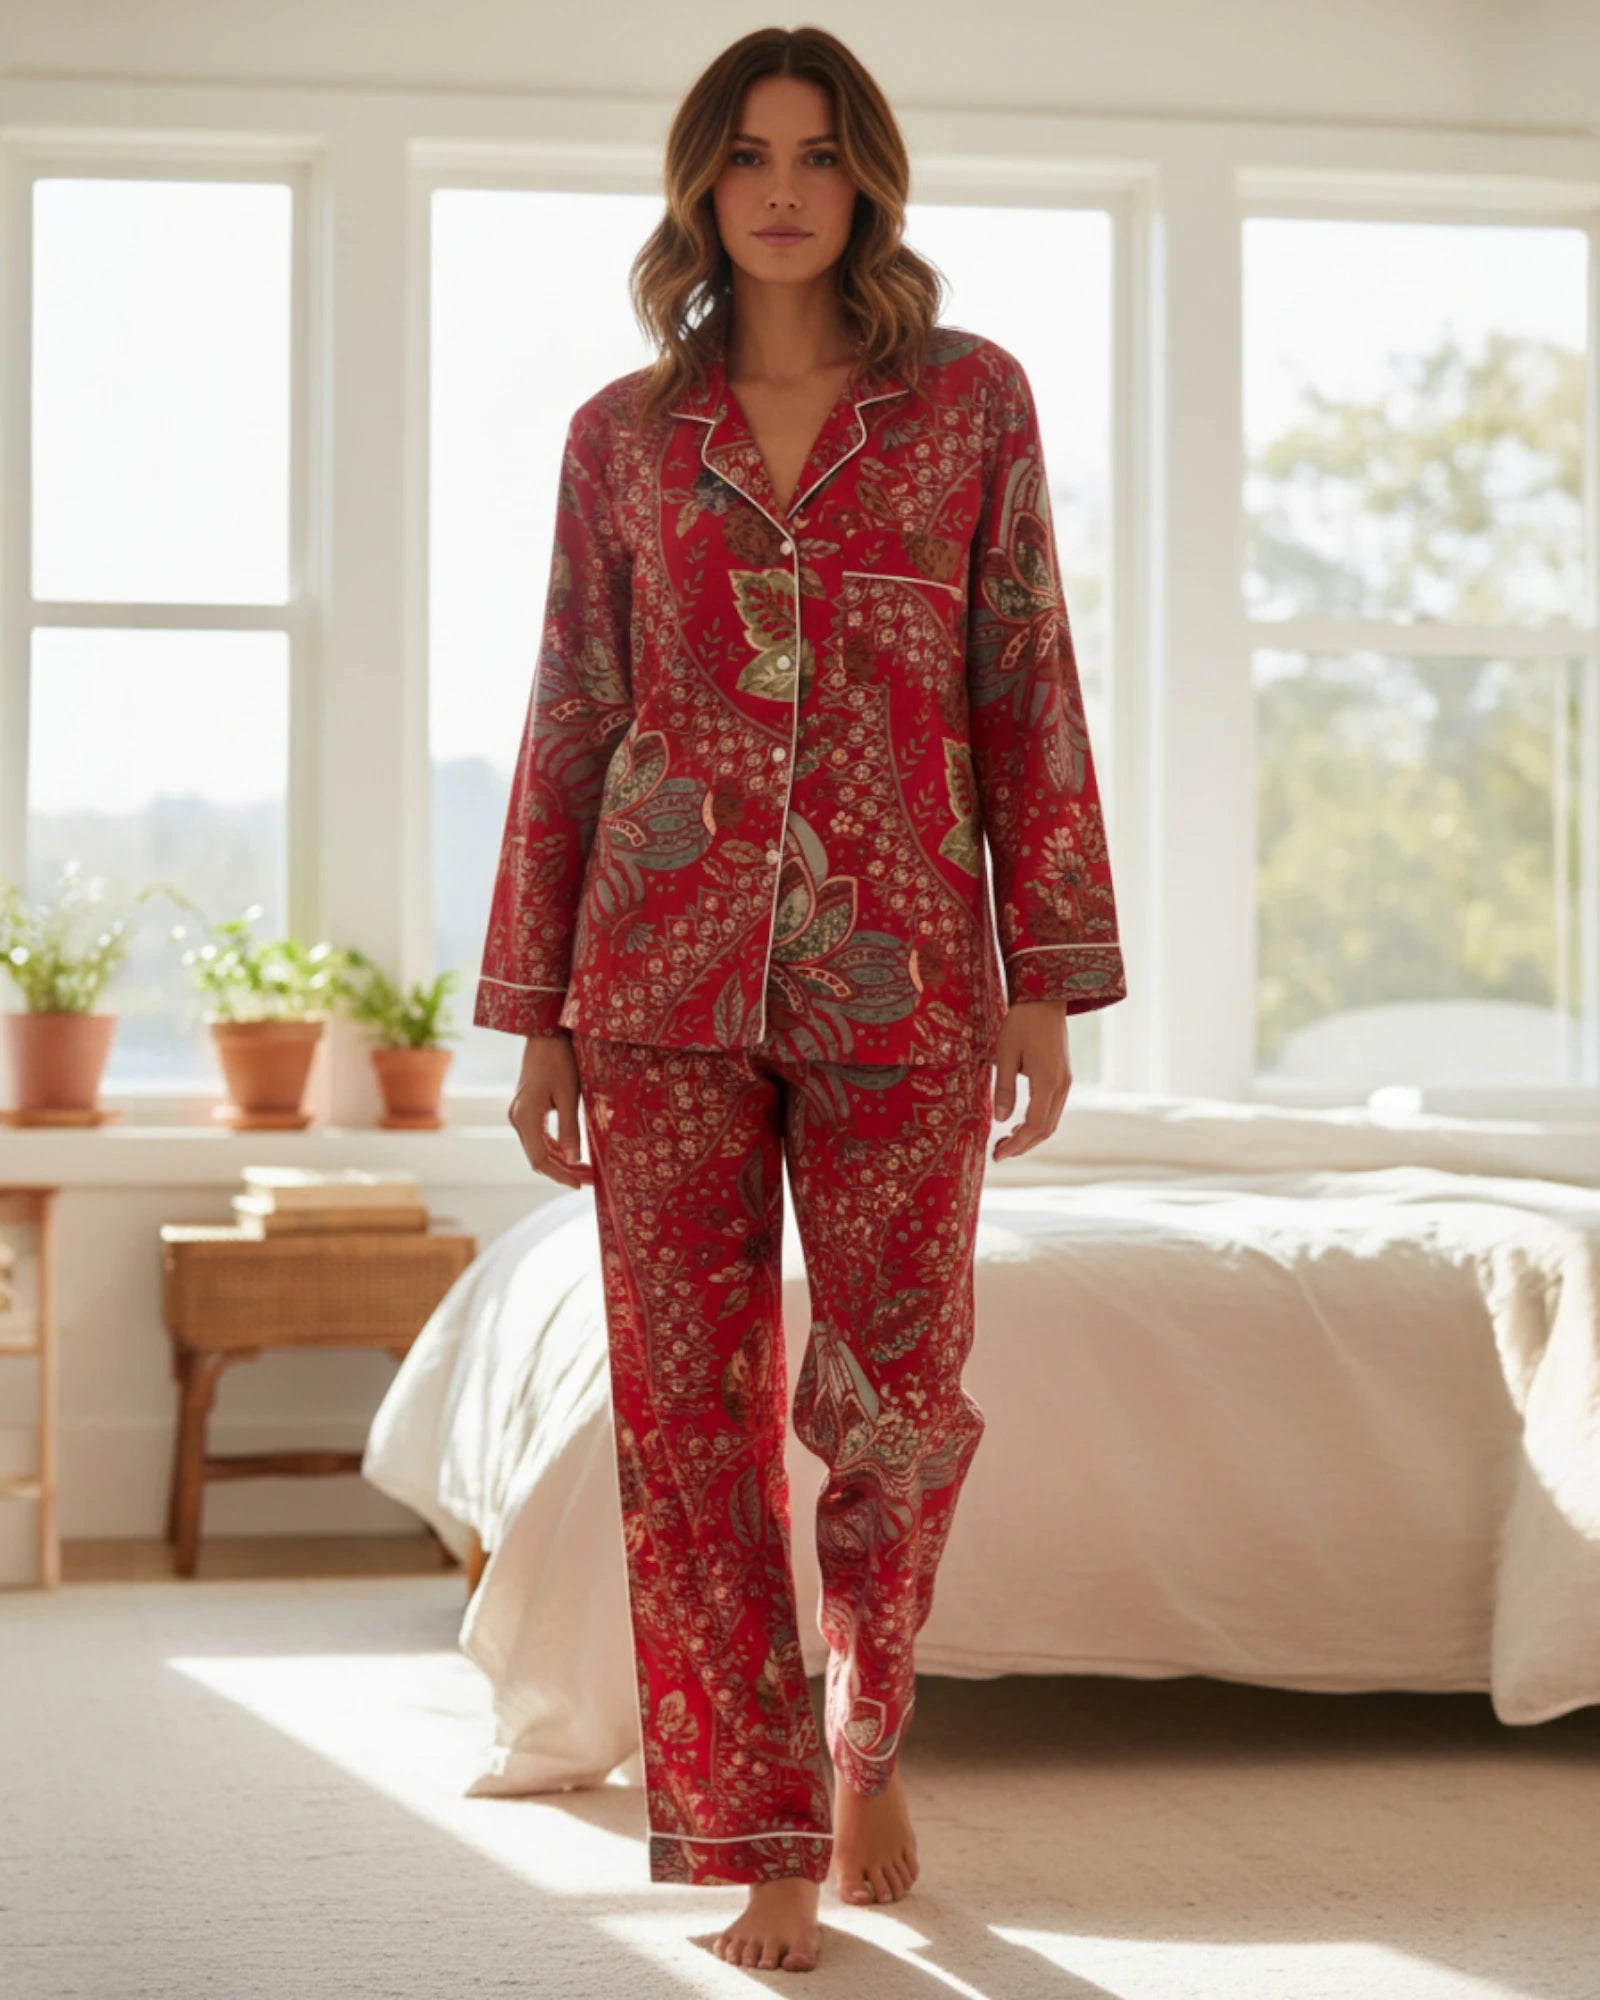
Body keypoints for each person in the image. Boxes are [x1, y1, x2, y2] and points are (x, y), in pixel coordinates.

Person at [473, 23, 1127, 1977]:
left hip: (912, 973)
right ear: (697, 184)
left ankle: (866, 1736)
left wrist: (1045, 980)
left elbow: (1025, 682)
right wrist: (535, 1010)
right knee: (689, 1425)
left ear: (863, 184)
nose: (778, 184)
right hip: (654, 976)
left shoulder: (964, 407)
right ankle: (759, 1837)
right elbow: (570, 713)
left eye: (816, 153)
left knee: (896, 1404)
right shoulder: (620, 437)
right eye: (745, 152)